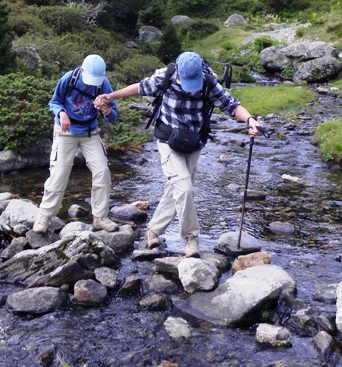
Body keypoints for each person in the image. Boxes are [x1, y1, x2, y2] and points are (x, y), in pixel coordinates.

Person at [94, 51, 260, 257]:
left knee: (177, 189)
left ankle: (153, 229)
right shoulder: (166, 76)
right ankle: (191, 238)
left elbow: (231, 105)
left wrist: (250, 120)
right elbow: (140, 87)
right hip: (168, 140)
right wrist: (111, 96)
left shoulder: (208, 82)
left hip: (194, 142)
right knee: (185, 189)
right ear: (179, 73)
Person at [33, 54, 120, 234]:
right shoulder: (70, 78)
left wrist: (106, 109)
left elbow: (113, 118)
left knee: (102, 170)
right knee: (59, 174)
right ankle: (45, 216)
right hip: (66, 131)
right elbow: (54, 102)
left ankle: (100, 217)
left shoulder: (104, 85)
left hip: (90, 132)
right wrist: (61, 114)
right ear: (82, 70)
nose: (92, 83)